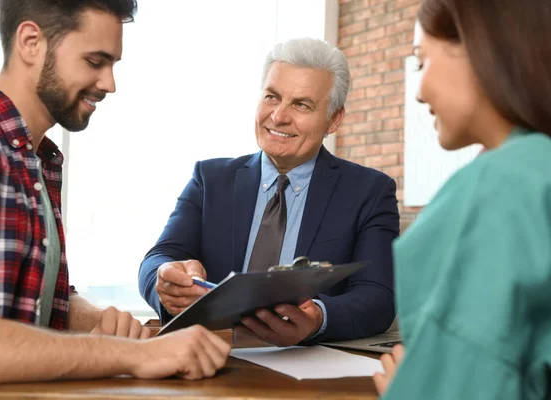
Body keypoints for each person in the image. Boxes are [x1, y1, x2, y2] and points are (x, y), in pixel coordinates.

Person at [0, 1, 230, 396]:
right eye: (95, 61)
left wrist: (106, 324)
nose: (109, 83)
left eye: (113, 63)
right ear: (31, 42)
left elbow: (39, 300)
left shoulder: (38, 159)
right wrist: (128, 355)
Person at [139, 38, 400, 347]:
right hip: (210, 358)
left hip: (307, 372)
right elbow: (158, 258)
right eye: (272, 97)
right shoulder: (209, 180)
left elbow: (378, 297)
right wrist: (166, 280)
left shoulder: (369, 192)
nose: (278, 117)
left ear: (333, 119)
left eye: (301, 104)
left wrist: (317, 317)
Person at [372, 0, 551, 398]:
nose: (418, 93)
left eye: (422, 61)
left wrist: (414, 389)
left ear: (478, 46)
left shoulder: (500, 187)